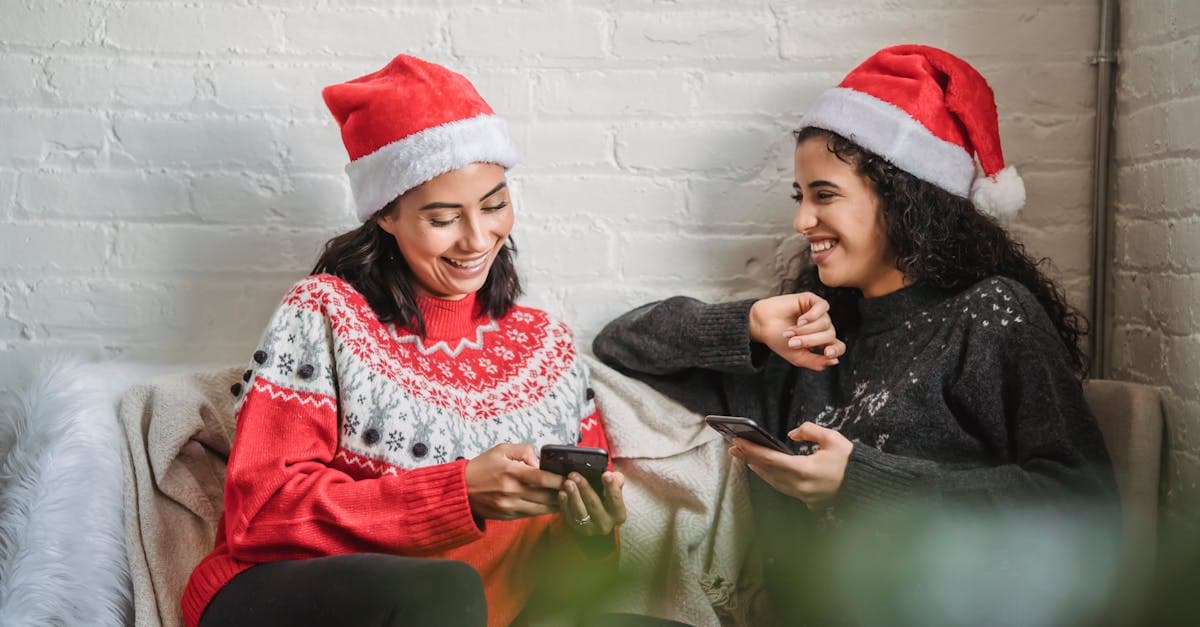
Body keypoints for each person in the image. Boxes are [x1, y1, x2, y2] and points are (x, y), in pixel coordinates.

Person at [593, 45, 1118, 623]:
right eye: (801, 197)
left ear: (901, 199)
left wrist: (860, 480)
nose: (801, 222)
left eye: (825, 195)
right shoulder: (805, 339)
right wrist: (747, 323)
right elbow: (620, 345)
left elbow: (1083, 501)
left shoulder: (989, 315)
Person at [182, 54, 627, 627]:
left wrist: (592, 535)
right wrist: (457, 493)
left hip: (473, 613)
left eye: (495, 205)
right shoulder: (325, 312)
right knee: (443, 591)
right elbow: (263, 512)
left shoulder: (549, 348)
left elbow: (569, 588)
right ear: (386, 215)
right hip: (279, 597)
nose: (476, 238)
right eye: (443, 218)